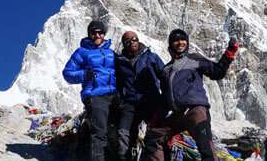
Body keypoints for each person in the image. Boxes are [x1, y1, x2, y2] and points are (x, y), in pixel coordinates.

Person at [142, 29, 239, 161]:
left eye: (183, 40)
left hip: (195, 111)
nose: (180, 43)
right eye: (176, 40)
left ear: (187, 43)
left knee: (205, 147)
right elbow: (164, 98)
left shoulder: (195, 59)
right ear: (170, 45)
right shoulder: (166, 70)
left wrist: (229, 54)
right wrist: (155, 119)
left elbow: (217, 72)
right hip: (175, 114)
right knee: (153, 137)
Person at [62, 20, 117, 161]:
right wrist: (84, 74)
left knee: (116, 132)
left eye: (100, 32)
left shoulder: (111, 52)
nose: (97, 35)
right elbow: (67, 73)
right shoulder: (82, 52)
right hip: (95, 95)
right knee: (99, 133)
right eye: (94, 32)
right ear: (89, 34)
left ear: (104, 34)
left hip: (114, 95)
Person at [115, 31, 165, 161]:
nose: (132, 42)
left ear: (138, 40)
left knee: (155, 133)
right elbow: (118, 83)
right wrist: (121, 99)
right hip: (130, 102)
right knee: (123, 133)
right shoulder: (120, 62)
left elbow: (164, 75)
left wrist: (165, 98)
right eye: (128, 41)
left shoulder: (151, 57)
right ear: (124, 44)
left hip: (151, 100)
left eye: (134, 39)